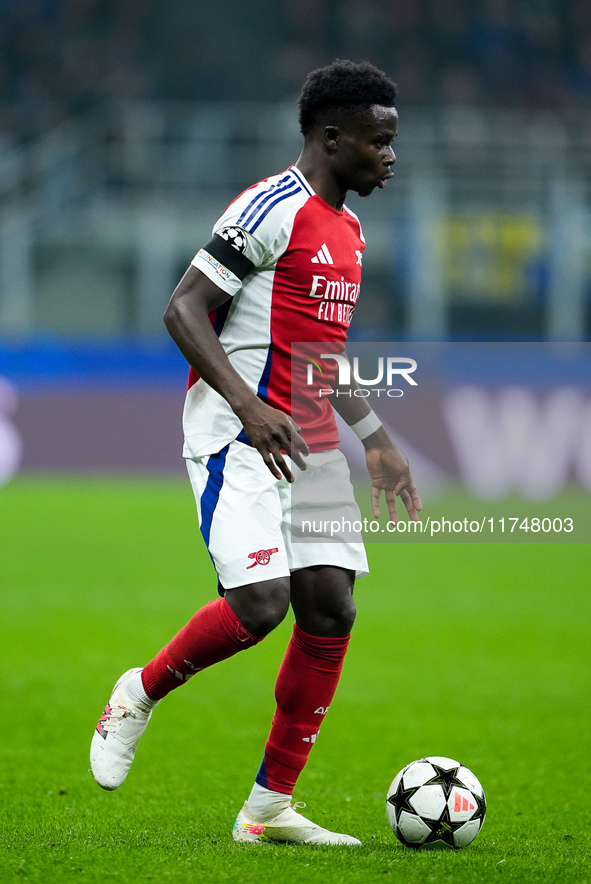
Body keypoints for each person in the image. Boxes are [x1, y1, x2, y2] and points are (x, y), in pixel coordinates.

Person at [90, 58, 421, 846]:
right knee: (260, 606)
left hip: (305, 441)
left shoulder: (351, 231)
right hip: (236, 435)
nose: (390, 156)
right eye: (379, 142)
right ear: (330, 137)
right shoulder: (270, 207)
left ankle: (268, 809)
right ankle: (136, 692)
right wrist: (249, 404)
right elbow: (182, 309)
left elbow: (318, 350)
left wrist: (374, 437)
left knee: (331, 608)